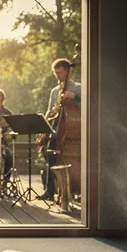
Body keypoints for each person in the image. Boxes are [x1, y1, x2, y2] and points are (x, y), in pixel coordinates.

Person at [41, 58, 82, 201]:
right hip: (55, 128)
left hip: (71, 130)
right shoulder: (54, 91)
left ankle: (75, 189)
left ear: (67, 71)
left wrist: (75, 97)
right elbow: (50, 110)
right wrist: (47, 117)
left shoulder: (78, 87)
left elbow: (90, 103)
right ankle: (50, 190)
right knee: (50, 156)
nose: (57, 76)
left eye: (60, 73)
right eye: (55, 73)